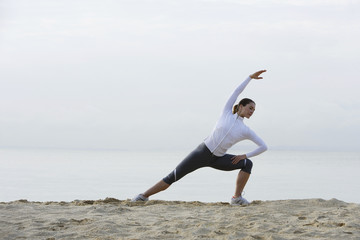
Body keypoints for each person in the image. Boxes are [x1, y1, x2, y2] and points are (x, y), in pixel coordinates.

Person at [132, 70, 268, 205]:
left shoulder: (246, 130)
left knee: (247, 164)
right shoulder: (226, 113)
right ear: (241, 106)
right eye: (250, 108)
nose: (252, 112)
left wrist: (244, 156)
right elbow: (236, 92)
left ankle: (236, 198)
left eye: (254, 110)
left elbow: (263, 147)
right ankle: (143, 196)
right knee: (173, 176)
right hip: (202, 153)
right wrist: (249, 78)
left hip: (218, 159)